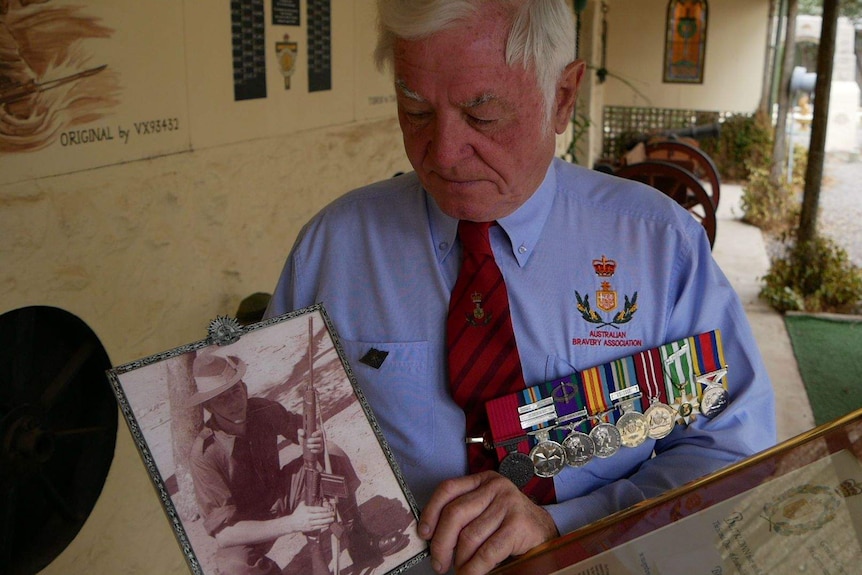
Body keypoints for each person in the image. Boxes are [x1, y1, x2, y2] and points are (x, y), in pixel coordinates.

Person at [264, 1, 776, 574]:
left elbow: (732, 451)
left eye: (482, 115)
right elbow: (278, 447)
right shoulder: (333, 251)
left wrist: (566, 524)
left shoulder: (658, 249)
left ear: (562, 96)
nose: (444, 152)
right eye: (415, 110)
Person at [187, 352, 408, 575]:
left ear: (244, 388)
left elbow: (304, 431)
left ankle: (360, 543)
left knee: (331, 454)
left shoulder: (261, 409)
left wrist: (312, 440)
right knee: (233, 566)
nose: (234, 402)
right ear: (209, 406)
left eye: (235, 391)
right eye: (221, 398)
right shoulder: (205, 455)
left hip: (281, 495)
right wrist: (294, 523)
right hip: (248, 525)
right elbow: (225, 534)